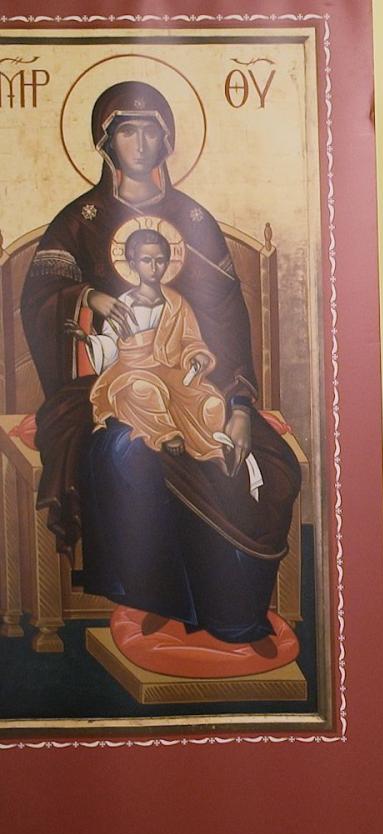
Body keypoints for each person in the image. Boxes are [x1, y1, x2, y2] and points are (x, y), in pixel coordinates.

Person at [21, 80, 300, 646]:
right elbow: (39, 299)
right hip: (108, 382)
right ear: (106, 143)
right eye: (127, 130)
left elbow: (226, 321)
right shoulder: (80, 219)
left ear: (168, 140)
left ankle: (235, 616)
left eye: (152, 130)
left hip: (197, 385)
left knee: (273, 466)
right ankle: (155, 602)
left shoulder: (193, 222)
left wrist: (239, 404)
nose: (141, 142)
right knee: (126, 453)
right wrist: (88, 299)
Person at [67, 229, 238, 468]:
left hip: (172, 374)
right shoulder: (123, 304)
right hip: (130, 372)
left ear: (168, 263)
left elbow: (191, 341)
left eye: (159, 260)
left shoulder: (177, 305)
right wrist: (87, 340)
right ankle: (166, 433)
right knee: (143, 390)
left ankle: (211, 449)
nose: (153, 267)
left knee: (212, 403)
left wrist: (197, 356)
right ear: (133, 264)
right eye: (146, 260)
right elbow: (111, 346)